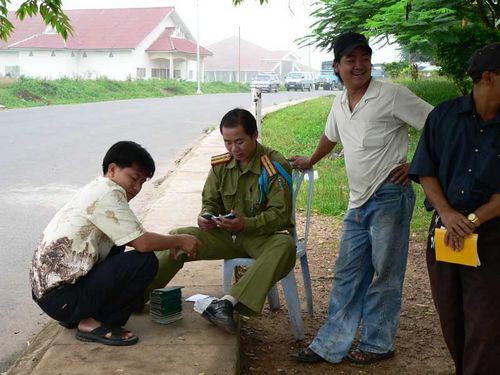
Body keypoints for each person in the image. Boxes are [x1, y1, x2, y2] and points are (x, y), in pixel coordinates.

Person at [290, 32, 433, 364]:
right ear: (337, 67)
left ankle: (377, 344)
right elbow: (330, 136)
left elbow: (437, 124)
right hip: (357, 202)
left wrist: (417, 164)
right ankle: (330, 344)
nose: (359, 65)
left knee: (385, 273)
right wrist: (311, 160)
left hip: (389, 196)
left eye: (364, 58)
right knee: (348, 272)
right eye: (350, 60)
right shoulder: (340, 103)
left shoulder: (392, 95)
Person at [30, 141, 200, 346]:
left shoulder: (95, 189)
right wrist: (180, 239)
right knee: (145, 261)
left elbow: (132, 237)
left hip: (50, 296)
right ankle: (96, 323)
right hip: (62, 298)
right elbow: (143, 242)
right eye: (134, 178)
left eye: (142, 183)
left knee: (118, 243)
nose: (137, 188)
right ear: (112, 169)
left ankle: (77, 315)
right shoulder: (109, 192)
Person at [147, 108, 296, 333]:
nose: (233, 149)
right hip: (227, 235)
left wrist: (247, 223)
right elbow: (210, 201)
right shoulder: (221, 165)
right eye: (227, 143)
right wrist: (205, 217)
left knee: (285, 246)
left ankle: (227, 304)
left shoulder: (274, 165)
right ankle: (137, 293)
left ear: (255, 135)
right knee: (178, 236)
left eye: (239, 142)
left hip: (261, 238)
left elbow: (280, 215)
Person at [408, 43, 500, 375]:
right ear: (489, 77)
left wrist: (473, 219)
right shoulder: (444, 116)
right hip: (446, 233)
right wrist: (446, 213)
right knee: (452, 318)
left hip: (491, 236)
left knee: (486, 326)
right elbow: (425, 170)